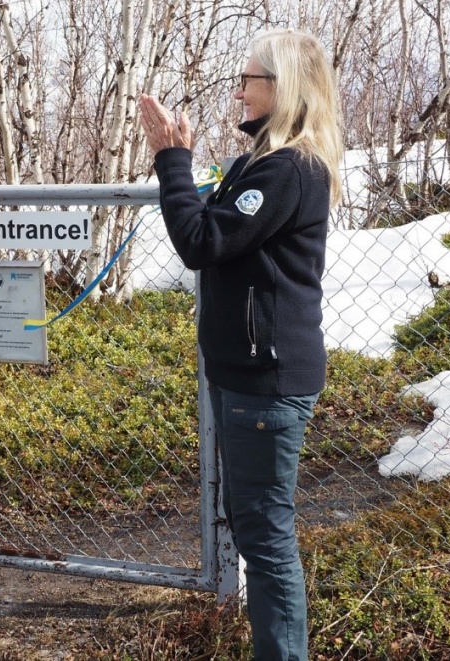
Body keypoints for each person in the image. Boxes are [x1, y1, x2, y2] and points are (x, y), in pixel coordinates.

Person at [138, 28, 344, 661]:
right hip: (245, 375)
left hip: (267, 382)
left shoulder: (288, 168)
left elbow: (203, 243)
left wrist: (172, 160)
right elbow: (219, 233)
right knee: (257, 525)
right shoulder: (260, 163)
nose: (238, 91)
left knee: (266, 535)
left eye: (248, 80)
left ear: (281, 89)